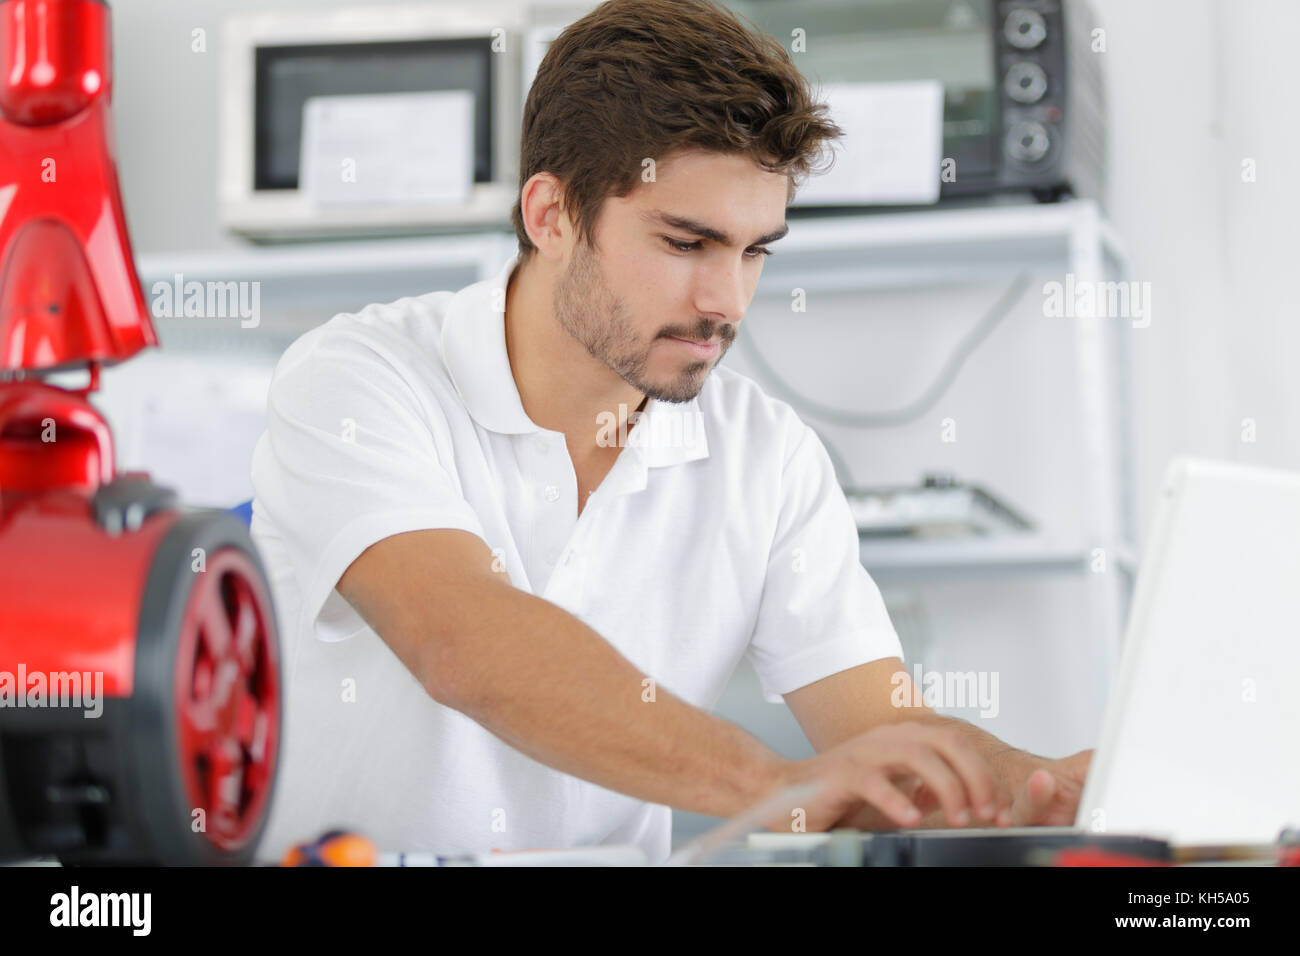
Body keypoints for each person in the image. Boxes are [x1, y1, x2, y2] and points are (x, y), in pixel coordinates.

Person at [250, 0, 1090, 864]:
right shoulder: (357, 379)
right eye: (687, 242)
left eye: (757, 250)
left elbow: (879, 732)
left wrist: (1045, 788)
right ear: (552, 216)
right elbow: (462, 641)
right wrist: (773, 790)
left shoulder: (768, 454)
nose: (726, 301)